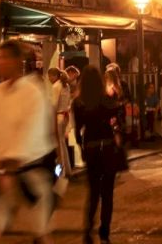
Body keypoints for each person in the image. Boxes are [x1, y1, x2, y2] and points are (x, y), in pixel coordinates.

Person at [0, 41, 56, 244]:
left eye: (2, 58)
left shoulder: (32, 92)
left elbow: (29, 136)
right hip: (1, 173)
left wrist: (5, 169)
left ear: (15, 61)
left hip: (29, 174)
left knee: (40, 235)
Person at [73, 65, 122, 244]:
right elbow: (116, 116)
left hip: (91, 147)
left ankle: (87, 229)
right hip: (107, 146)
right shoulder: (106, 100)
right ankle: (104, 232)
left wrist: (82, 149)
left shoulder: (78, 103)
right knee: (107, 193)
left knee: (93, 192)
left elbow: (78, 131)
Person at [48, 67, 72, 177]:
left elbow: (53, 105)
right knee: (62, 143)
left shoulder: (56, 86)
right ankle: (67, 169)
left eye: (50, 76)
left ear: (55, 76)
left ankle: (61, 172)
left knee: (59, 144)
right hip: (66, 115)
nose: (49, 78)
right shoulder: (66, 86)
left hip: (58, 116)